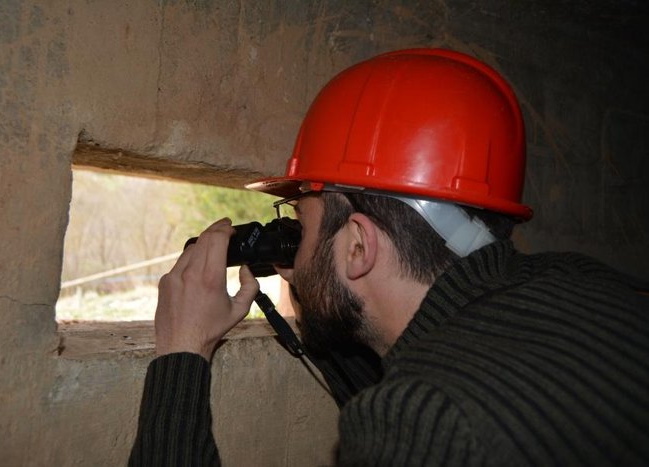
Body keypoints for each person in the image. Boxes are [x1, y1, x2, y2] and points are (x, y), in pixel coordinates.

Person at [129, 49, 649, 466]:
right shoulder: (588, 281)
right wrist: (317, 283)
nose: (295, 236)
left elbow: (419, 399)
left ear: (358, 246)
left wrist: (181, 353)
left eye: (302, 221)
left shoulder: (425, 419)